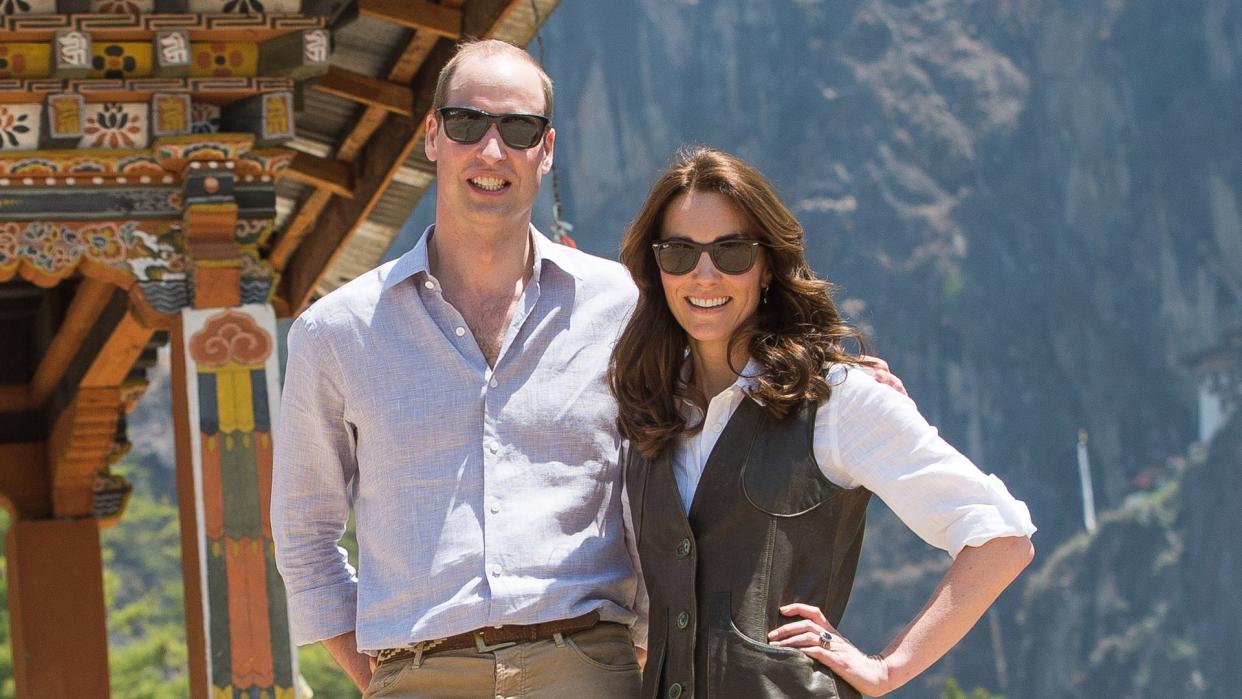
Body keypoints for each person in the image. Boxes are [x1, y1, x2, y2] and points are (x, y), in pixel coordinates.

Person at [609, 146, 1037, 699]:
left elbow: (1000, 536)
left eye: (732, 251)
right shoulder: (645, 413)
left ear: (767, 267)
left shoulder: (837, 399)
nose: (704, 273)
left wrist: (888, 668)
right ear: (657, 268)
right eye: (679, 252)